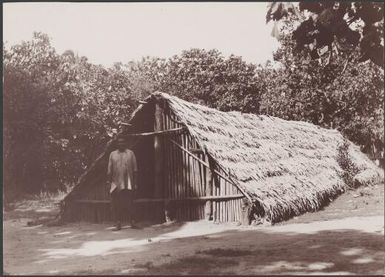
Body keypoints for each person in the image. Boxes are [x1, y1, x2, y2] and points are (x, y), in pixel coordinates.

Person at [107, 137, 138, 231]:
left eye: (123, 142)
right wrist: (108, 182)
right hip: (116, 183)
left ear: (126, 143)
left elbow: (135, 169)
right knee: (117, 204)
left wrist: (135, 183)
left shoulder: (130, 153)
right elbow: (109, 170)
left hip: (128, 183)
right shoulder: (112, 154)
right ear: (117, 144)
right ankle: (118, 224)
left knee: (130, 203)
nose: (121, 144)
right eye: (119, 142)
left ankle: (133, 222)